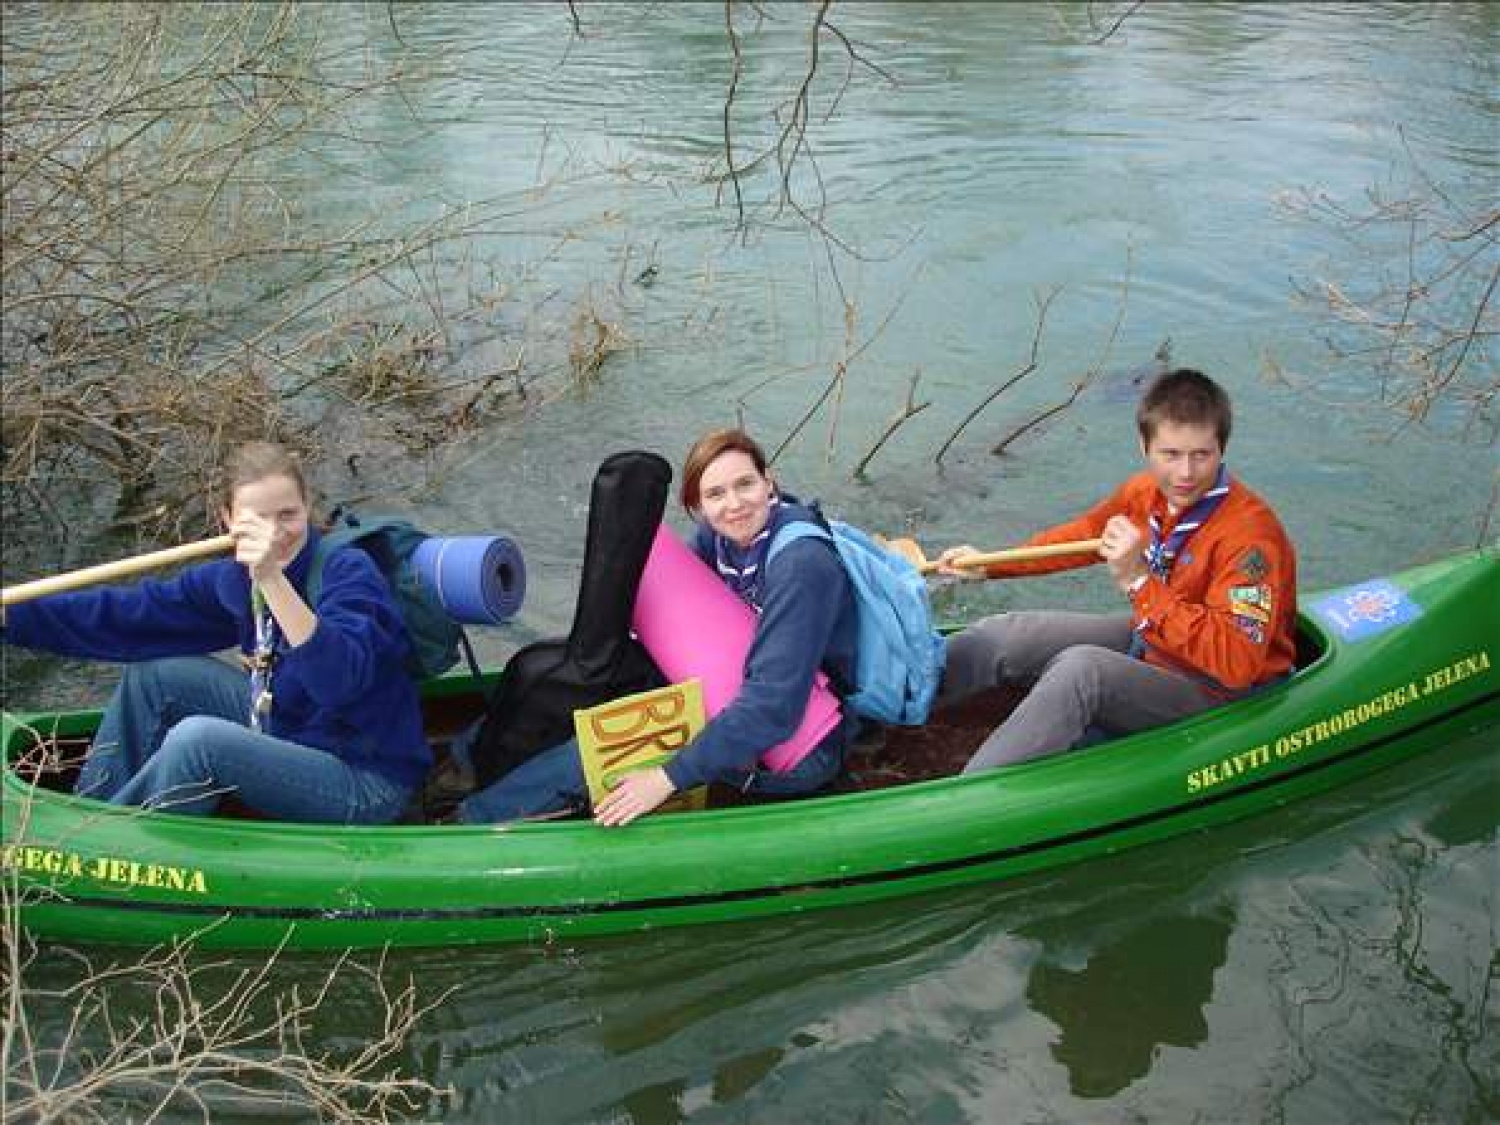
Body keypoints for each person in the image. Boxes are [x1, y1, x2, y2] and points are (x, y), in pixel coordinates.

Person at [1, 442, 430, 823]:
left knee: (198, 742)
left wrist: (272, 582)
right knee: (154, 676)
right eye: (258, 519)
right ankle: (88, 812)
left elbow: (339, 682)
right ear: (228, 520)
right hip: (286, 728)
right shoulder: (232, 580)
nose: (276, 533)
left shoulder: (348, 572)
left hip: (364, 778)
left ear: (307, 506)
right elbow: (130, 614)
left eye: (289, 514)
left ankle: (110, 844)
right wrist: (13, 616)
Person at [455, 428, 859, 827]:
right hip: (731, 684)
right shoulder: (718, 541)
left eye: (745, 484)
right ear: (696, 505)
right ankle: (467, 760)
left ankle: (474, 826)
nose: (733, 504)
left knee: (614, 743)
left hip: (804, 742)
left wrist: (665, 778)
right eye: (715, 494)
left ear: (768, 483)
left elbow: (773, 708)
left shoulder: (801, 567)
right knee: (568, 678)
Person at [935, 368, 1298, 772]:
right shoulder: (1145, 493)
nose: (1185, 473)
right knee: (1005, 634)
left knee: (1082, 669)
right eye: (1171, 454)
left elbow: (1237, 664)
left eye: (1202, 455)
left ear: (1221, 449)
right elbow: (1086, 535)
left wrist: (1138, 580)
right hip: (1159, 638)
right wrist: (989, 566)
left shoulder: (1249, 538)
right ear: (1145, 446)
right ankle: (878, 718)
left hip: (1217, 687)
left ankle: (969, 798)